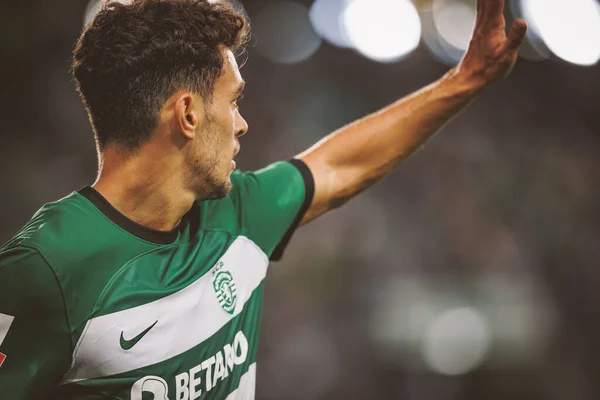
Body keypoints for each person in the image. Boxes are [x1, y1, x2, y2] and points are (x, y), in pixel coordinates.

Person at [0, 0, 527, 398]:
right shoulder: (44, 268)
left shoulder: (238, 212)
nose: (242, 123)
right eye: (232, 102)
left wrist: (465, 82)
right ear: (187, 114)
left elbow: (341, 164)